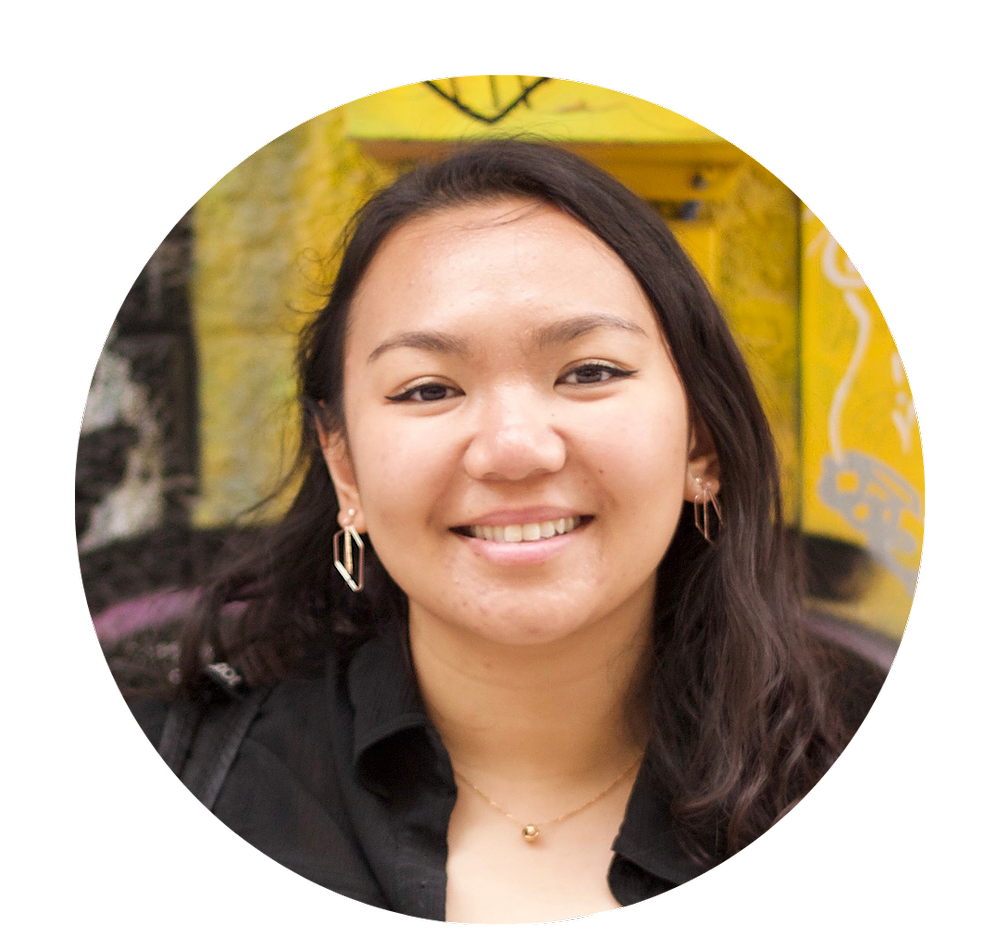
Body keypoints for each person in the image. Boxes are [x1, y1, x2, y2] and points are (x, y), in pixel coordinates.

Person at [129, 138, 885, 924]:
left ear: (701, 441)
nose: (514, 449)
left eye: (589, 371)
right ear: (344, 466)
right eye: (428, 388)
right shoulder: (199, 774)